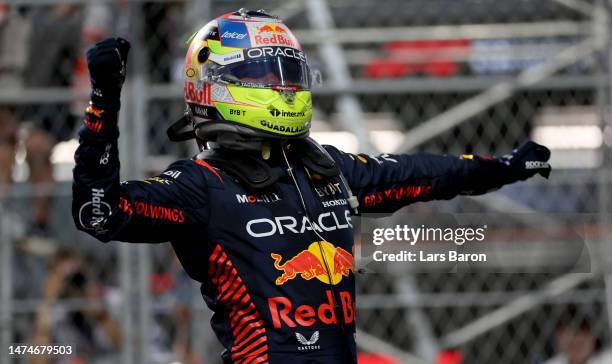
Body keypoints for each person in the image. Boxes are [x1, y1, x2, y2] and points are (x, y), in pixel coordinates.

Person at [72, 9, 552, 364]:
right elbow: (99, 213)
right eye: (263, 75)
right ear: (217, 85)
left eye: (288, 74)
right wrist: (103, 104)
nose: (282, 87)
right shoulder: (200, 185)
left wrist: (502, 166)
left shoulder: (327, 170)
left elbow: (423, 173)